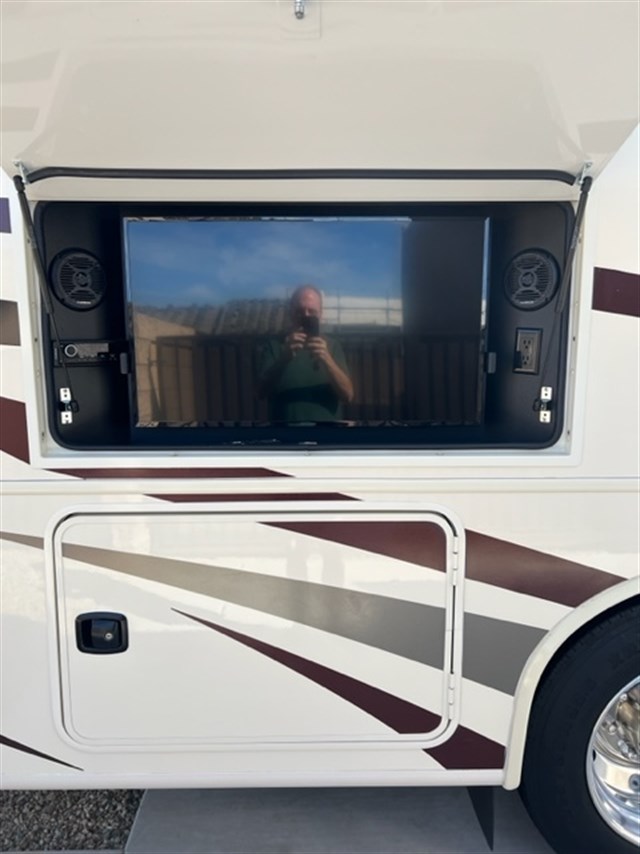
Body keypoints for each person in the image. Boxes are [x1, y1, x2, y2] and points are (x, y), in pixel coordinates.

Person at [258, 285, 354, 422]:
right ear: (291, 313)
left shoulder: (332, 346)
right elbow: (260, 393)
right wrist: (284, 358)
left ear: (321, 314)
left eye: (312, 311)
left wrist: (327, 359)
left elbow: (348, 395)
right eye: (300, 311)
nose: (306, 316)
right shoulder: (274, 346)